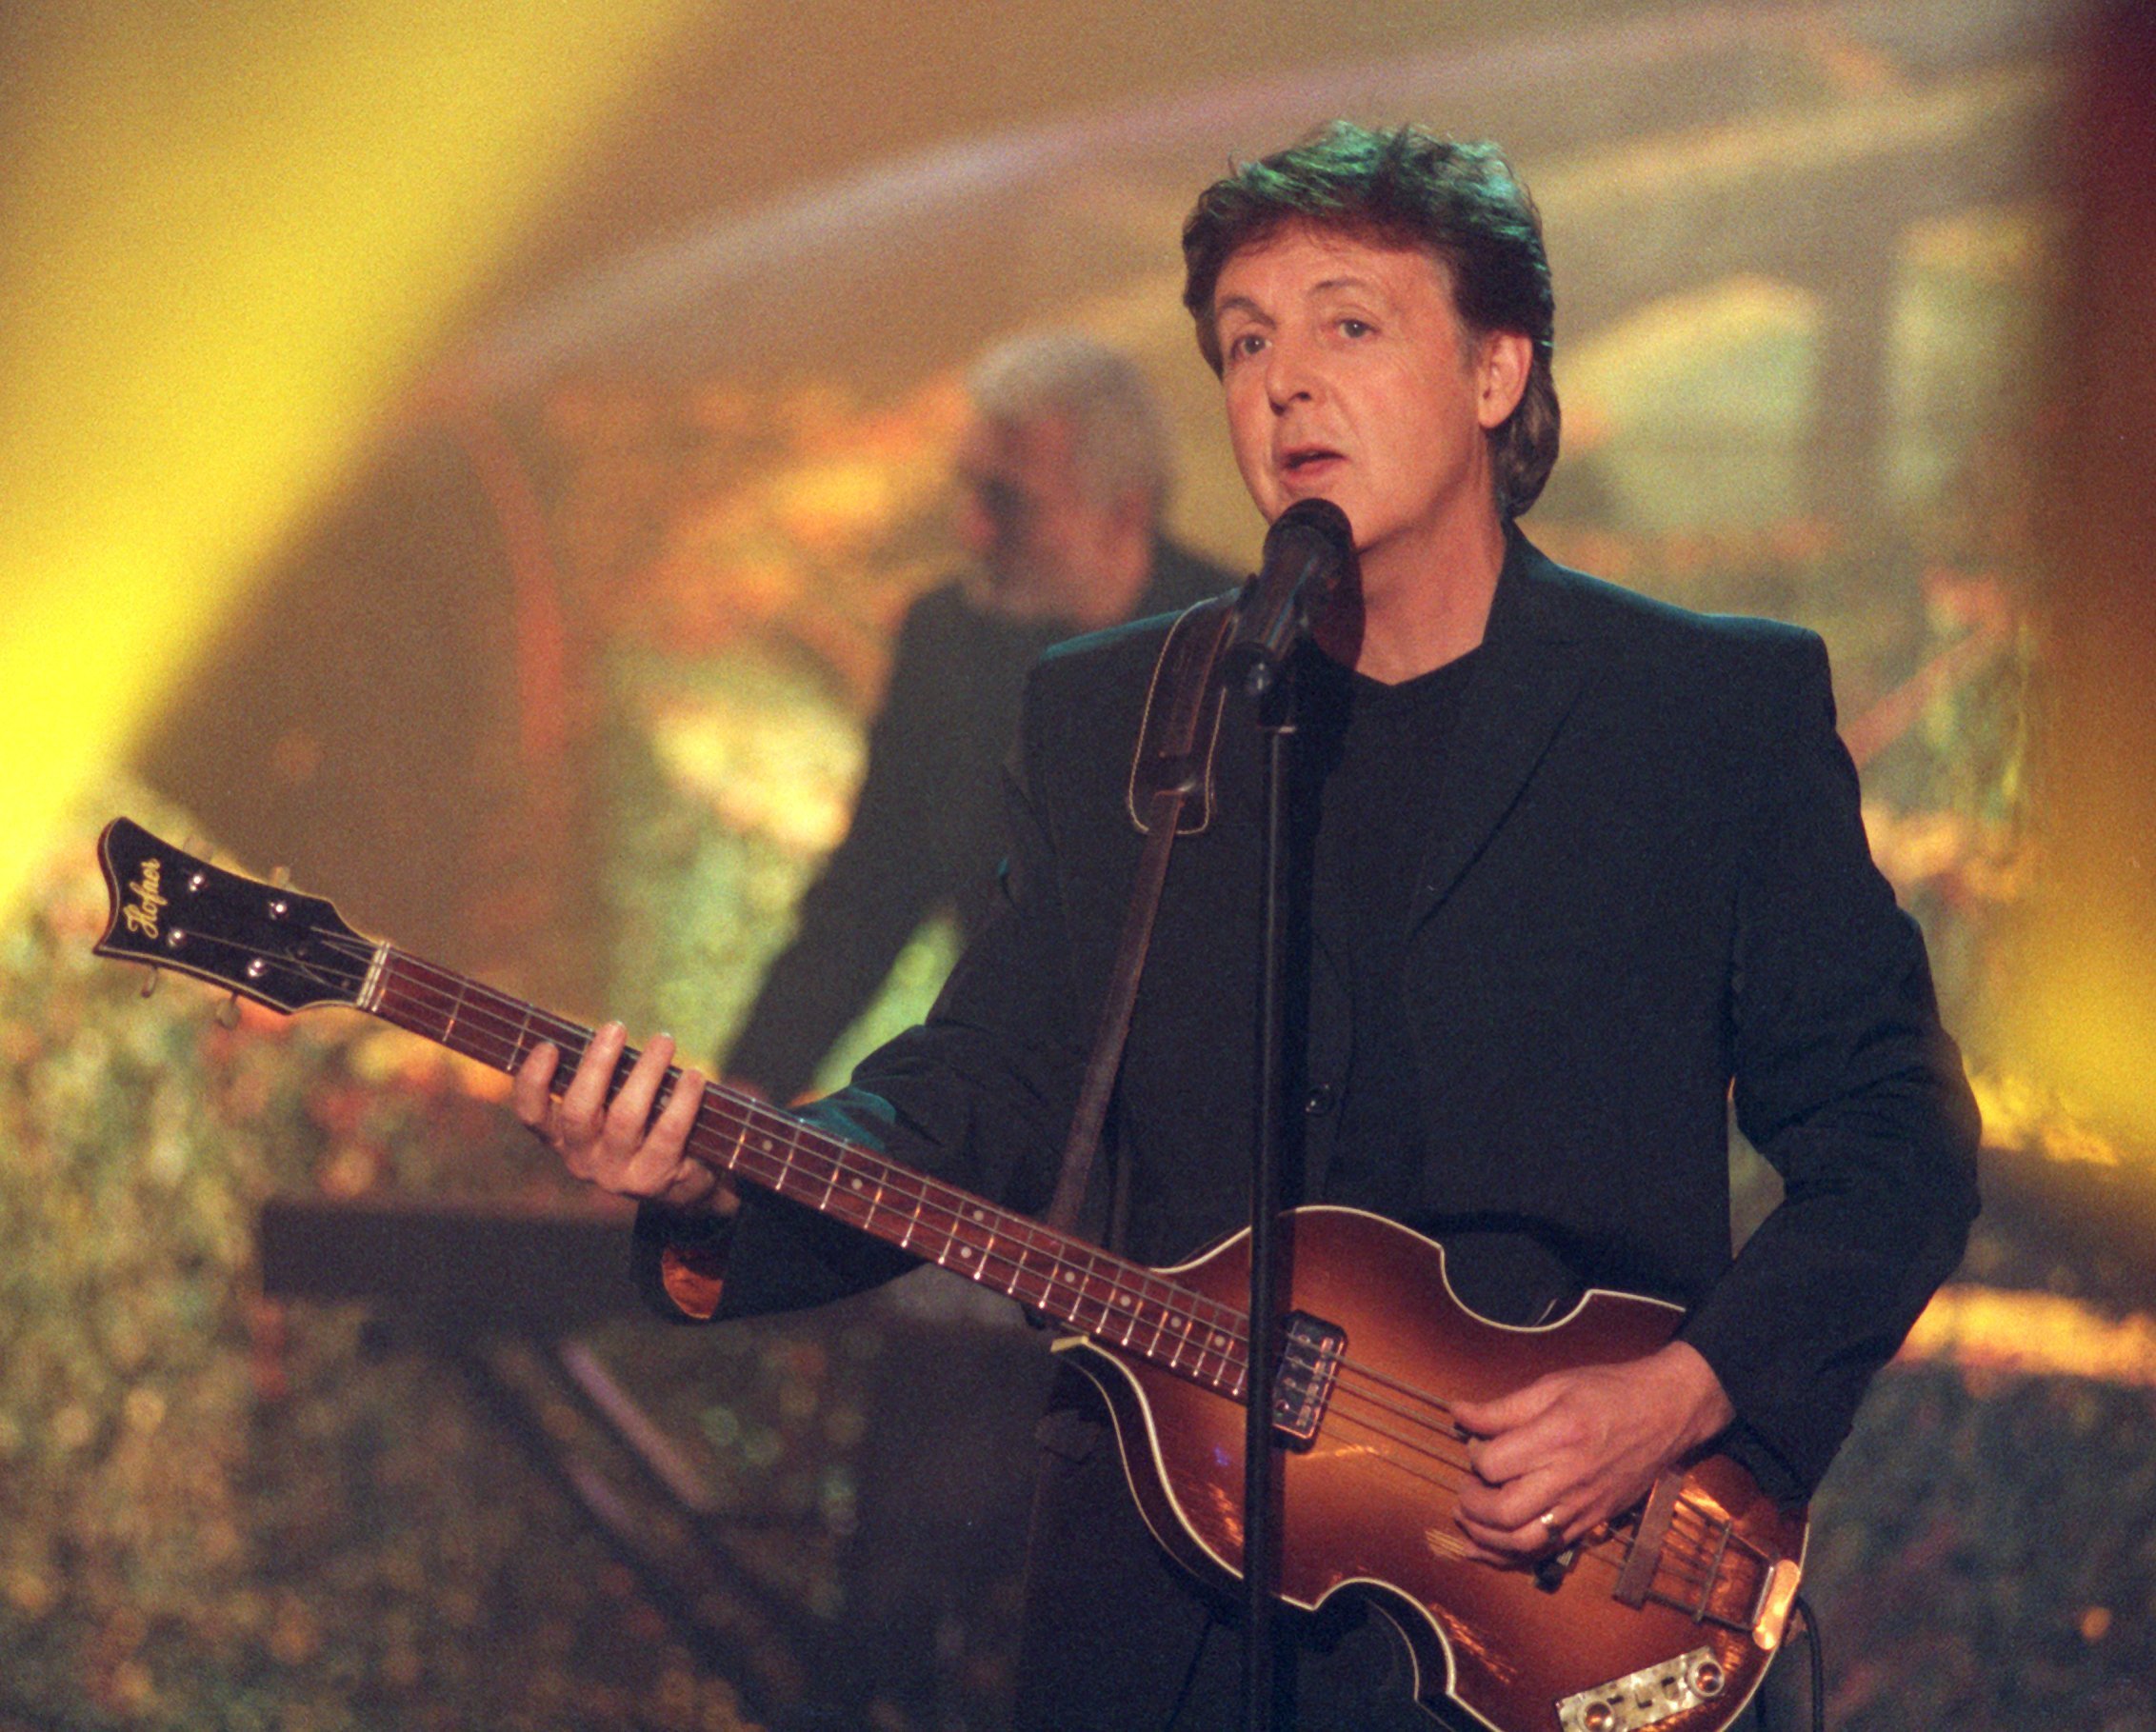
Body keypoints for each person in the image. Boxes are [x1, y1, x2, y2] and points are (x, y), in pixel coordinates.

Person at [515, 124, 1980, 1729]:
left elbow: (1887, 1132)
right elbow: (988, 1090)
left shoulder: (1702, 709)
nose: (1283, 383)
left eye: (1347, 324)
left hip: (1556, 1591)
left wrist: (1685, 1392)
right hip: (1166, 1616)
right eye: (1241, 341)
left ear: (1495, 372)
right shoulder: (1117, 713)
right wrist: (728, 1164)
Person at [723, 330, 1231, 1106]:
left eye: (1009, 500)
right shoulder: (943, 640)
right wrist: (748, 1089)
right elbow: (872, 884)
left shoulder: (1244, 654)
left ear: (1123, 512)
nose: (973, 529)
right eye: (970, 489)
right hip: (1011, 1128)